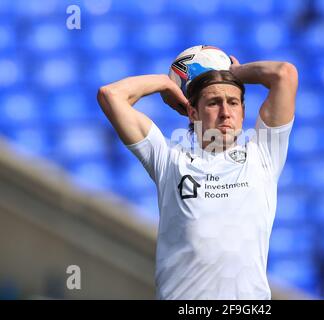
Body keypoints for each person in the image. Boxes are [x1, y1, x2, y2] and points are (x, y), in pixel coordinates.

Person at [97, 54, 298, 300]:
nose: (225, 112)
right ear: (192, 113)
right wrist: (165, 83)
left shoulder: (263, 155)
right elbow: (111, 95)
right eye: (214, 102)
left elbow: (284, 74)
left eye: (233, 103)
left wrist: (236, 72)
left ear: (243, 112)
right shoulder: (169, 159)